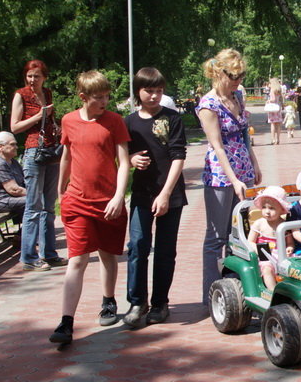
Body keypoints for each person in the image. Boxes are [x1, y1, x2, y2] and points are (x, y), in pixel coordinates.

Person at [49, 71, 131, 345]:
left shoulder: (114, 121)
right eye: (99, 98)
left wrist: (119, 196)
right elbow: (67, 156)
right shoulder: (69, 120)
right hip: (77, 201)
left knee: (108, 255)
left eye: (107, 96)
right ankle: (66, 322)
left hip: (108, 202)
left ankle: (108, 301)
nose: (105, 101)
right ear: (83, 97)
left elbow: (124, 162)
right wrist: (61, 189)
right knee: (78, 259)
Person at [123, 68, 187, 328]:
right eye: (149, 90)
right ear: (138, 90)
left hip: (170, 194)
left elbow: (178, 156)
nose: (154, 96)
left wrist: (165, 194)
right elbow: (121, 155)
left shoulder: (172, 118)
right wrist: (130, 159)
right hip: (141, 193)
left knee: (164, 250)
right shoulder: (129, 122)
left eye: (159, 91)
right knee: (137, 245)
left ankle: (160, 302)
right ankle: (137, 302)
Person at [197, 48, 261, 306]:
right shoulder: (208, 104)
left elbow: (245, 134)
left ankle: (234, 292)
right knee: (217, 236)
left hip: (242, 168)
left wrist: (254, 164)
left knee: (238, 234)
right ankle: (212, 294)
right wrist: (233, 178)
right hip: (221, 175)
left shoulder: (237, 96)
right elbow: (217, 146)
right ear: (219, 72)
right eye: (233, 75)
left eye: (241, 74)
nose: (238, 79)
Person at [10, 59, 67, 271]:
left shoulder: (48, 93)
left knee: (48, 207)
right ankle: (28, 257)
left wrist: (58, 127)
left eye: (37, 76)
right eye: (29, 76)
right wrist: (38, 116)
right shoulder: (21, 95)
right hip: (34, 151)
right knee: (33, 207)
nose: (32, 80)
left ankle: (49, 254)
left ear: (44, 77)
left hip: (52, 151)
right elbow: (14, 127)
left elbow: (50, 121)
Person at [247, 186, 294, 290]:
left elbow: (290, 243)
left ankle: (290, 289)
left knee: (295, 265)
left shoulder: (283, 225)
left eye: (272, 208)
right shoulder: (259, 224)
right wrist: (259, 250)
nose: (267, 211)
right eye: (264, 207)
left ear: (281, 210)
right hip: (264, 255)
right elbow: (250, 241)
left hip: (280, 254)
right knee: (267, 269)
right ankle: (273, 292)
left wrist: (289, 248)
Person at [266, 77, 285, 145]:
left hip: (272, 108)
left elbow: (273, 99)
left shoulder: (272, 90)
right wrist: (282, 105)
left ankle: (273, 139)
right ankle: (278, 139)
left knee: (273, 124)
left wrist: (268, 101)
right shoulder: (279, 89)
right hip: (278, 107)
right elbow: (281, 99)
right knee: (279, 124)